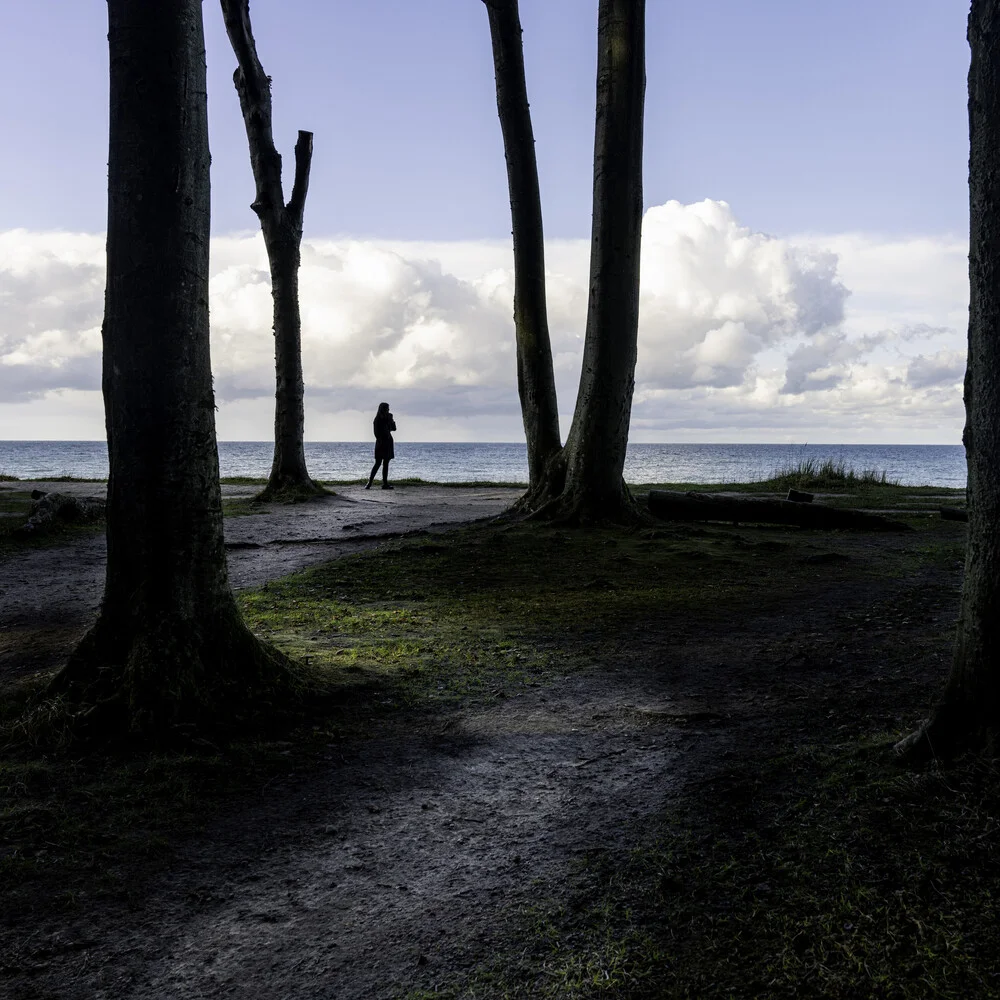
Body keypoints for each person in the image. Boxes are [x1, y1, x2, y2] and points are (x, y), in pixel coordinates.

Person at [366, 401, 396, 490]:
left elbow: (394, 428)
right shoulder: (377, 420)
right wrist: (382, 438)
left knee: (386, 463)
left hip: (388, 442)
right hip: (381, 443)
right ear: (383, 409)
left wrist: (392, 420)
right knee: (378, 463)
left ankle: (385, 483)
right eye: (387, 409)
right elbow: (376, 433)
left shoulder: (388, 418)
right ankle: (370, 482)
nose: (388, 410)